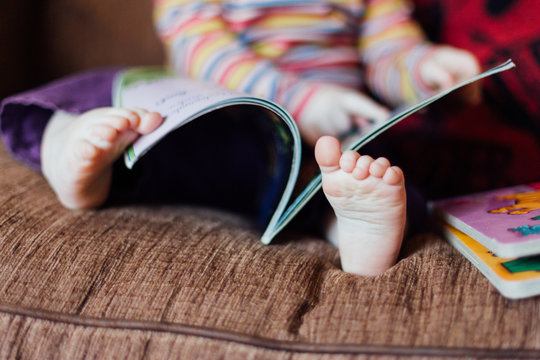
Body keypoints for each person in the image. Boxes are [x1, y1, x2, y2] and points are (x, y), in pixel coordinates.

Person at [0, 0, 480, 276]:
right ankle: (69, 147)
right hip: (218, 131)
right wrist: (299, 99)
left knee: (381, 176)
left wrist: (424, 69)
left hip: (322, 152)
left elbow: (390, 51)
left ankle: (352, 228)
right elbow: (199, 49)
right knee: (108, 96)